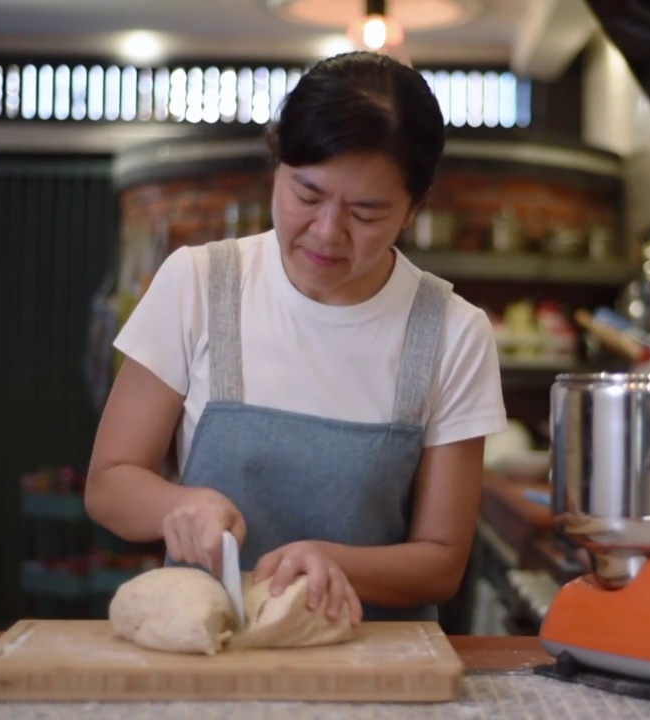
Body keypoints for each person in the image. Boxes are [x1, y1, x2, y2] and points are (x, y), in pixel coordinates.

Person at [85, 51, 508, 626]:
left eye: (366, 212)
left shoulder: (453, 332)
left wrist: (330, 561)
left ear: (413, 208)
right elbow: (109, 485)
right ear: (276, 164)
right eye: (306, 196)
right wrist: (178, 503)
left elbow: (440, 563)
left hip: (375, 672)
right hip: (210, 657)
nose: (327, 233)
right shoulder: (199, 284)